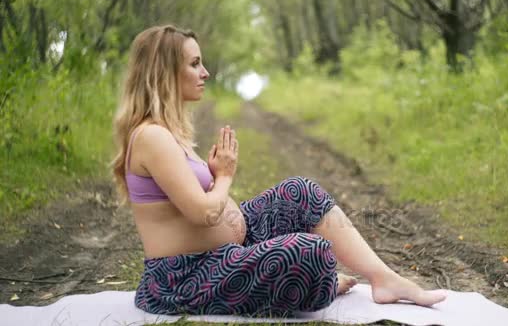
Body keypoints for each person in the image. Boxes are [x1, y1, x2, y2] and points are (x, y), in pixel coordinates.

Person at [111, 25, 447, 317]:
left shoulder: (170, 133)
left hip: (225, 254)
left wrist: (215, 177)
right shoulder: (152, 137)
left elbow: (198, 203)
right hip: (185, 278)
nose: (206, 72)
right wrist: (225, 176)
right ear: (164, 72)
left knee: (299, 191)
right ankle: (322, 280)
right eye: (195, 63)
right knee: (311, 253)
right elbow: (202, 214)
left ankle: (383, 278)